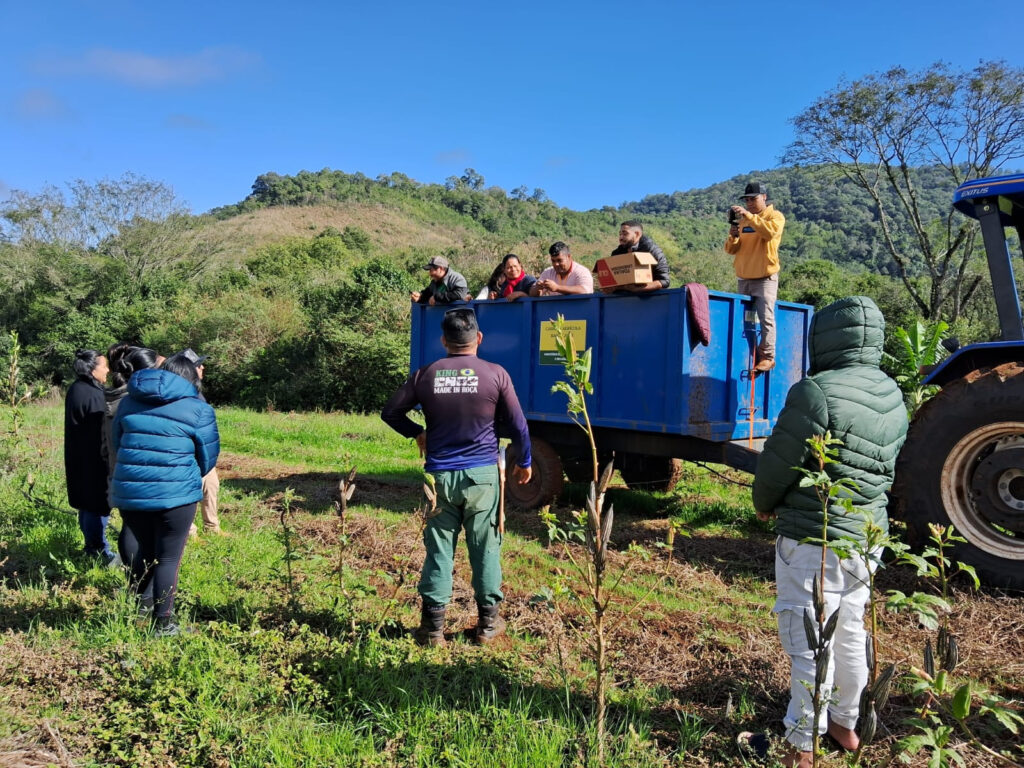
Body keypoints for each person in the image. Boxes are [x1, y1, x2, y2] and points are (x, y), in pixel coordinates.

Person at [748, 296, 908, 768]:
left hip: (814, 539)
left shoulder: (815, 391)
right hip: (866, 538)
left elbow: (779, 463)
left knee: (807, 638)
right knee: (850, 631)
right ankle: (844, 723)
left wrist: (763, 503)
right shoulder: (892, 393)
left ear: (824, 338)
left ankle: (803, 745)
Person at [381, 307, 532, 647]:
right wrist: (525, 460)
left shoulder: (426, 374)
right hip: (481, 478)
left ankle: (432, 630)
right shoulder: (496, 374)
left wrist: (416, 432)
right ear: (478, 339)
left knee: (438, 552)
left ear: (443, 340)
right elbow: (519, 425)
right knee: (485, 549)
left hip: (439, 478)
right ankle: (488, 626)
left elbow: (390, 412)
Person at [111, 353, 220, 637]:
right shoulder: (198, 408)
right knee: (168, 558)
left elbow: (117, 441)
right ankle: (164, 624)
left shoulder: (129, 401)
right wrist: (188, 473)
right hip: (176, 493)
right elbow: (208, 457)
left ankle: (138, 606)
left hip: (130, 487)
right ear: (193, 377)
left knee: (137, 542)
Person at [725, 181, 786, 373]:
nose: (750, 203)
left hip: (764, 277)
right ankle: (745, 355)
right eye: (747, 200)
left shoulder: (775, 216)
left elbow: (768, 233)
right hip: (744, 277)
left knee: (766, 317)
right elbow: (731, 250)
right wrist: (733, 236)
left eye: (754, 199)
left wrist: (749, 216)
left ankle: (768, 357)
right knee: (745, 320)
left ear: (764, 197)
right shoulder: (744, 221)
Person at [64, 349, 114, 561]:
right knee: (96, 505)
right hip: (94, 460)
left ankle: (91, 547)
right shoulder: (94, 395)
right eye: (104, 366)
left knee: (86, 504)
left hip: (79, 457)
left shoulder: (76, 388)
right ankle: (98, 550)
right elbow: (101, 434)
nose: (108, 370)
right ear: (93, 369)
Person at [181, 347, 225, 538]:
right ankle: (189, 532)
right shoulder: (182, 392)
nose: (202, 367)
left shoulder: (196, 390)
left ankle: (212, 527)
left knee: (212, 485)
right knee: (191, 491)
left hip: (203, 452)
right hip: (189, 452)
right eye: (198, 365)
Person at [604, 221, 671, 293]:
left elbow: (664, 281)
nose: (621, 237)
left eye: (625, 234)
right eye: (620, 234)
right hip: (621, 300)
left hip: (650, 299)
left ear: (637, 234)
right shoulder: (616, 253)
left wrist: (637, 289)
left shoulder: (653, 251)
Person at [529, 242, 594, 296]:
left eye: (559, 260)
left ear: (569, 257)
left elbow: (585, 291)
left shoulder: (582, 272)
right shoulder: (547, 273)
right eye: (553, 261)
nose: (556, 264)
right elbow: (532, 294)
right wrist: (537, 288)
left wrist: (557, 288)